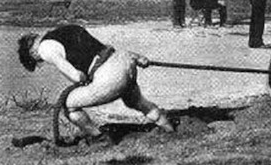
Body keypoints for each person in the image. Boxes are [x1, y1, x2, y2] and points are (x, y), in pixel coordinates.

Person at [17, 25, 174, 143]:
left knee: (68, 105)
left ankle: (98, 138)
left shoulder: (45, 48)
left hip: (109, 74)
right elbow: (98, 48)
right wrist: (136, 57)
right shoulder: (64, 30)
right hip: (122, 58)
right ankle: (167, 126)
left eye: (37, 61)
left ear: (32, 52)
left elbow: (77, 76)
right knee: (136, 101)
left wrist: (81, 80)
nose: (41, 62)